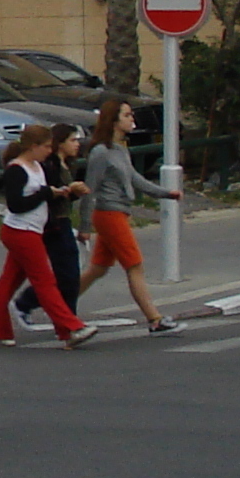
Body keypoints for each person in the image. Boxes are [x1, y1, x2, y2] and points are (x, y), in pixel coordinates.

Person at [0, 122, 93, 348]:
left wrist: (65, 194)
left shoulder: (37, 167)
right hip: (21, 231)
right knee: (45, 281)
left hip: (32, 230)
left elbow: (44, 198)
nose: (50, 151)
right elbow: (16, 205)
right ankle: (70, 328)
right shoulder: (16, 170)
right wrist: (45, 193)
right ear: (33, 146)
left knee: (9, 281)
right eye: (46, 146)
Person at [77, 97, 184, 335]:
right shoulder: (101, 152)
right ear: (113, 121)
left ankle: (60, 305)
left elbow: (135, 179)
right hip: (108, 213)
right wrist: (84, 226)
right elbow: (89, 189)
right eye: (126, 115)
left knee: (98, 268)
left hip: (118, 212)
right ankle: (154, 318)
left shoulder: (119, 149)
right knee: (134, 265)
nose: (132, 119)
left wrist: (166, 193)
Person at [12, 122, 91, 332]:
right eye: (72, 140)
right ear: (60, 143)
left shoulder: (66, 165)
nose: (77, 145)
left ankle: (66, 320)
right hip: (51, 225)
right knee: (63, 276)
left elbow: (61, 197)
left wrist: (73, 193)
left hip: (61, 221)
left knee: (66, 275)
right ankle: (62, 320)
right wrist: (65, 190)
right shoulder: (49, 166)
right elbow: (45, 195)